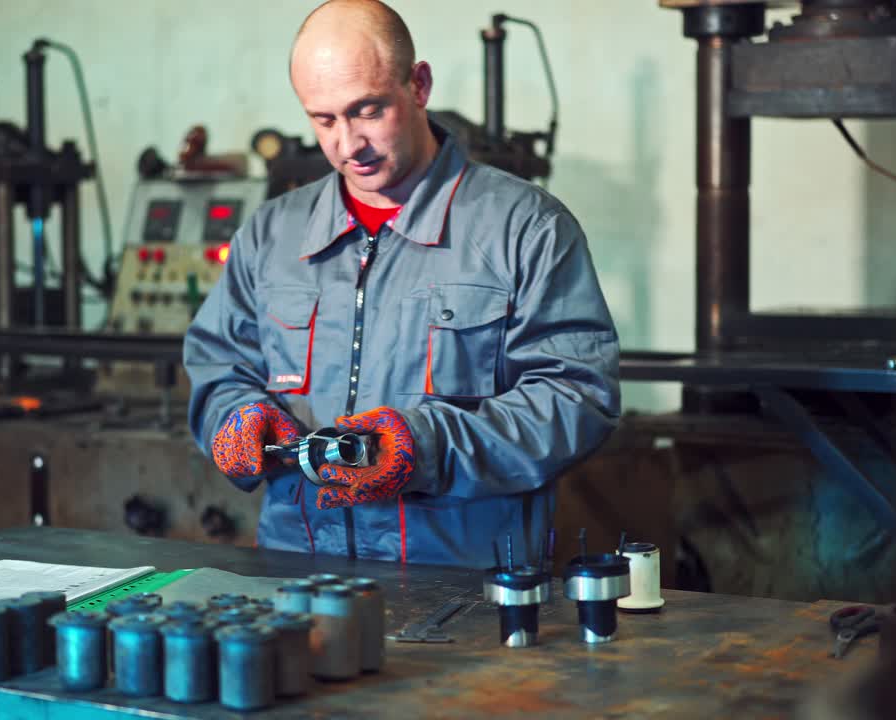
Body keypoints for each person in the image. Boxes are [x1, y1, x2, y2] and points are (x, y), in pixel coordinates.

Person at [184, 0, 619, 567]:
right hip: (300, 574)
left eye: (367, 111)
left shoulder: (525, 227)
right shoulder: (272, 233)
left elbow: (578, 398)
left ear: (419, 85)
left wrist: (428, 447)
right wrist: (235, 418)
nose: (347, 144)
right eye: (324, 120)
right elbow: (220, 368)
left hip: (471, 584)